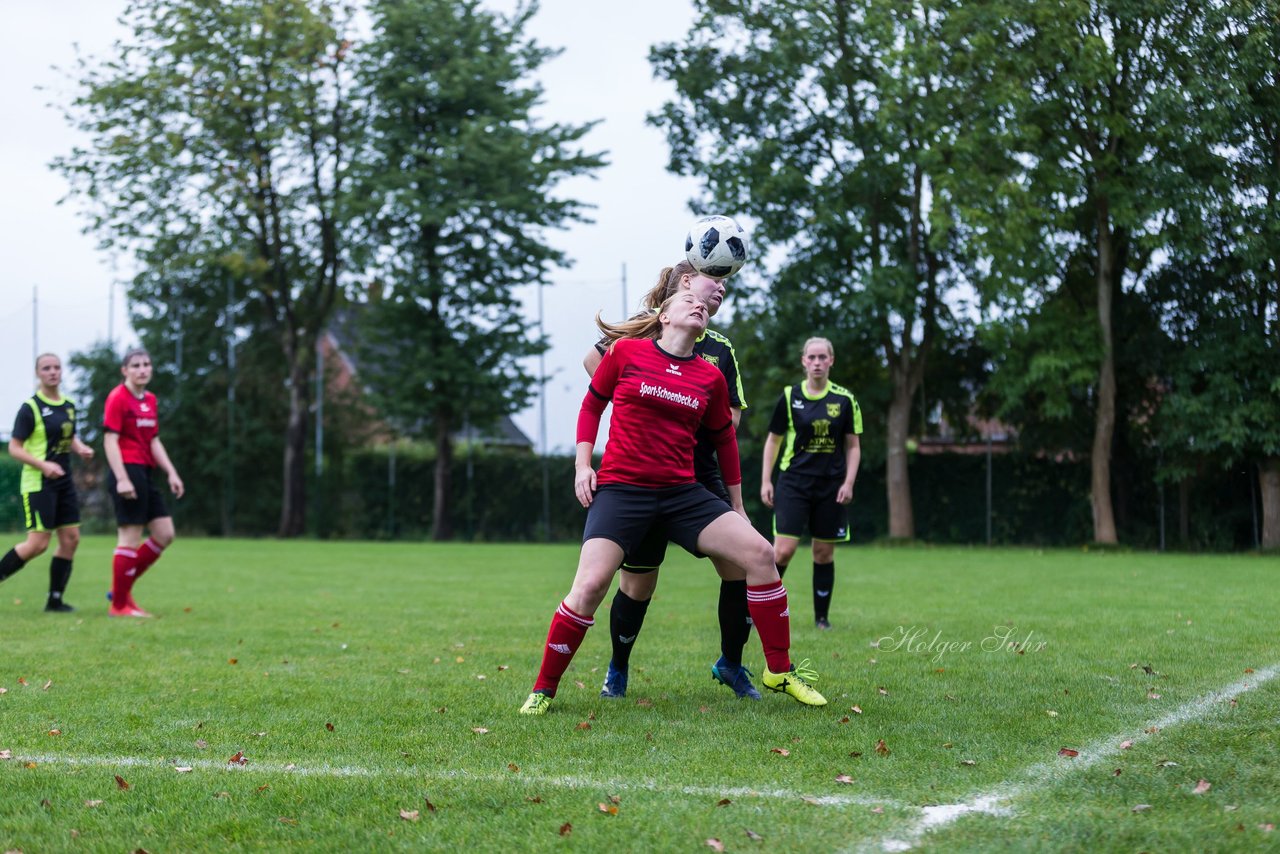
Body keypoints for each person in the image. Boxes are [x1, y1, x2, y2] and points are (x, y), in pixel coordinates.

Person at [520, 291, 826, 715]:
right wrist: (581, 465)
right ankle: (543, 689)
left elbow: (724, 440)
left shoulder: (709, 377)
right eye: (687, 302)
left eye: (703, 305)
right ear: (663, 316)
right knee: (589, 586)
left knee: (760, 553)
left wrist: (736, 506)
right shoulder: (626, 353)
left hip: (682, 493)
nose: (699, 305)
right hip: (622, 490)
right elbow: (592, 404)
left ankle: (779, 670)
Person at [582, 261, 759, 700]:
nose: (720, 289)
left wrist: (693, 414)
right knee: (638, 582)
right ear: (685, 283)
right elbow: (595, 365)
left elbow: (731, 416)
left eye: (724, 284)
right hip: (643, 475)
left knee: (740, 566)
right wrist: (647, 408)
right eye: (713, 280)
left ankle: (732, 664)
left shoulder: (719, 349)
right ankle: (617, 668)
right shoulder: (644, 337)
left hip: (699, 476)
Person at [761, 337, 862, 629]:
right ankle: (758, 609)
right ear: (804, 361)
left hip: (831, 486)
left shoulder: (844, 399)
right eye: (812, 357)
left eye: (822, 357)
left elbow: (853, 446)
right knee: (782, 551)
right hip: (793, 483)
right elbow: (774, 440)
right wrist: (766, 480)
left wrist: (849, 482)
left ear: (831, 361)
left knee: (823, 552)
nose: (817, 363)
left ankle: (821, 619)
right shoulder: (790, 396)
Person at [0, 354, 95, 611]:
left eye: (56, 367)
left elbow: (69, 436)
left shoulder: (69, 405)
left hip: (64, 482)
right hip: (38, 482)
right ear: (38, 373)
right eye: (46, 368)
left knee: (71, 539)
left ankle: (55, 600)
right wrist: (43, 465)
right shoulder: (30, 408)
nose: (53, 372)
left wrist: (81, 448)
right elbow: (15, 448)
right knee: (38, 544)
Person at [102, 347, 184, 618]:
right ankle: (120, 605)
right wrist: (122, 479)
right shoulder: (118, 398)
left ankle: (121, 593)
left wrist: (171, 472)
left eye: (147, 364)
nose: (142, 369)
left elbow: (153, 440)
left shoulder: (150, 399)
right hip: (127, 470)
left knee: (164, 533)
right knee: (130, 537)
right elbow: (109, 439)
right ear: (125, 371)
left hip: (145, 471)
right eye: (136, 365)